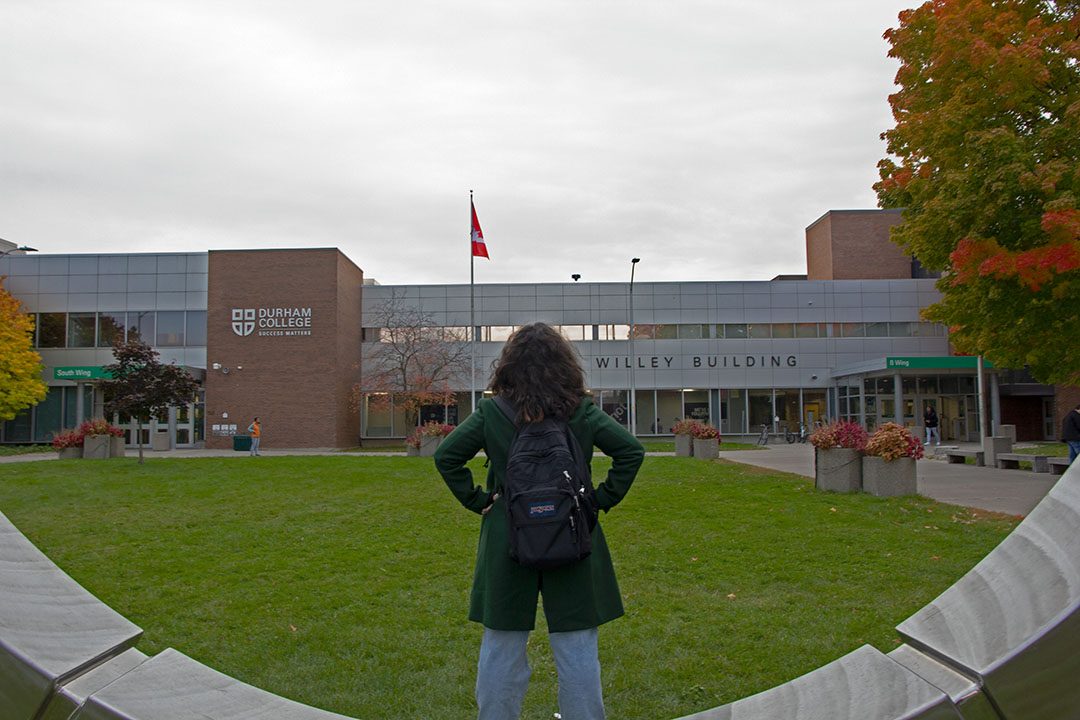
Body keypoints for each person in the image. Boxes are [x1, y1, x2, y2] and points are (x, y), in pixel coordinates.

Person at [434, 323, 644, 720]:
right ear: (565, 365)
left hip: (507, 537)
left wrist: (479, 501)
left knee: (502, 645)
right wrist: (599, 501)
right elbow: (631, 451)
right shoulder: (581, 412)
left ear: (508, 366)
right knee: (576, 644)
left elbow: (446, 457)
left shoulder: (492, 413)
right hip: (573, 532)